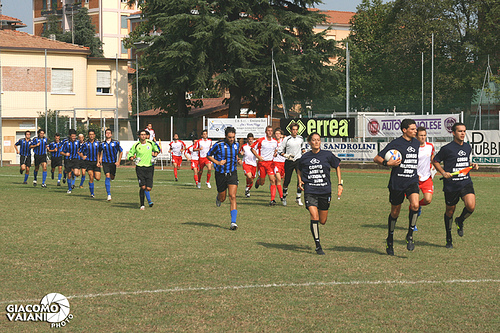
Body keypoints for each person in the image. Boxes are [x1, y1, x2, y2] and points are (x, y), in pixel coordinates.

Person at [374, 118, 420, 256]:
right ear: (404, 130)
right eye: (412, 129)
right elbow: (377, 158)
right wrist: (387, 164)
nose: (415, 131)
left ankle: (410, 235)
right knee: (395, 213)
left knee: (415, 205)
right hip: (397, 183)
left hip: (412, 181)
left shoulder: (417, 143)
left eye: (415, 129)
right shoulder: (396, 143)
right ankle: (390, 239)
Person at [432, 122, 479, 249]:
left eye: (464, 131)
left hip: (465, 182)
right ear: (453, 133)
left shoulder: (467, 147)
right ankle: (448, 238)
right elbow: (435, 161)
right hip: (451, 185)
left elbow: (465, 162)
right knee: (449, 211)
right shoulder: (447, 148)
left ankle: (460, 220)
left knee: (471, 206)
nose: (463, 133)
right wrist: (443, 172)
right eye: (460, 131)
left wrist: (472, 165)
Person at [297, 132, 342, 255]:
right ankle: (318, 245)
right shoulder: (305, 157)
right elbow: (298, 167)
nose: (316, 142)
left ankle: (317, 238)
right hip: (310, 191)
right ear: (310, 142)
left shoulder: (327, 155)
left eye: (318, 140)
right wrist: (300, 180)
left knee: (322, 220)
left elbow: (337, 165)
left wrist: (340, 184)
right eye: (314, 140)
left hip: (324, 191)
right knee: (314, 216)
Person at [207, 127, 241, 230]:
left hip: (232, 173)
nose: (232, 139)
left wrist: (238, 160)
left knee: (233, 196)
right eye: (230, 137)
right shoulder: (218, 145)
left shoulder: (236, 144)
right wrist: (217, 162)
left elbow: (235, 156)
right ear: (226, 136)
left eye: (233, 137)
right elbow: (209, 155)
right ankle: (219, 197)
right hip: (220, 174)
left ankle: (233, 222)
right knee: (223, 198)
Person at [127, 129, 160, 210]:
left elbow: (157, 149)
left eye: (144, 134)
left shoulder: (150, 143)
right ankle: (142, 204)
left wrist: (154, 156)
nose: (143, 136)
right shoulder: (136, 145)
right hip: (140, 168)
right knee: (143, 187)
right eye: (141, 134)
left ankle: (148, 201)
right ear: (139, 136)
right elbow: (130, 155)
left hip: (149, 167)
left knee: (148, 188)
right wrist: (133, 159)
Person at [412, 127, 436, 230]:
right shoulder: (413, 147)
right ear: (416, 136)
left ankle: (419, 207)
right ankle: (413, 223)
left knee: (427, 200)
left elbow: (432, 158)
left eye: (424, 135)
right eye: (421, 135)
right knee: (414, 204)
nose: (423, 137)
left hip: (427, 178)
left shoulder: (430, 146)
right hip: (414, 178)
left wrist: (434, 165)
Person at [277, 122, 305, 206]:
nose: (295, 131)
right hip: (289, 161)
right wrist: (286, 155)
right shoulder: (287, 139)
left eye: (296, 130)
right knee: (287, 180)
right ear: (290, 130)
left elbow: (302, 148)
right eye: (293, 129)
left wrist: (304, 152)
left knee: (300, 179)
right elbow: (279, 151)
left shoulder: (300, 138)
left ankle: (298, 197)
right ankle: (284, 197)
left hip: (298, 160)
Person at [251, 125, 279, 206]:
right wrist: (258, 157)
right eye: (268, 130)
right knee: (262, 182)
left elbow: (276, 149)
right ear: (266, 132)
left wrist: (275, 153)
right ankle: (258, 181)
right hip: (262, 164)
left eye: (271, 130)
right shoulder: (261, 140)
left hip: (270, 163)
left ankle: (272, 200)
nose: (270, 132)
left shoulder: (275, 141)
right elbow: (252, 148)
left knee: (273, 180)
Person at [99, 128, 123, 201]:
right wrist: (99, 159)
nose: (108, 134)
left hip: (113, 163)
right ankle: (109, 194)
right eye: (107, 133)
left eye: (109, 133)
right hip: (105, 162)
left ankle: (110, 180)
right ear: (105, 134)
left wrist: (118, 161)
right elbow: (99, 152)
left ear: (111, 134)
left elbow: (121, 151)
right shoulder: (102, 144)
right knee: (107, 176)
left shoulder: (116, 142)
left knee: (112, 177)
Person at [79, 129, 101, 198]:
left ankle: (95, 173)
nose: (91, 136)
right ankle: (92, 193)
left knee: (97, 178)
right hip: (88, 162)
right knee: (91, 177)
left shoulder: (98, 143)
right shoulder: (85, 144)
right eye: (90, 134)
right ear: (88, 135)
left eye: (92, 134)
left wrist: (99, 160)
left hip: (96, 162)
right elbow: (79, 152)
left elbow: (100, 152)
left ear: (94, 135)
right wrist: (83, 156)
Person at [61, 129, 81, 194]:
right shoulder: (66, 142)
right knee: (68, 175)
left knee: (77, 173)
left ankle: (72, 173)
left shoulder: (78, 142)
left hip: (75, 159)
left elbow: (80, 149)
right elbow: (61, 152)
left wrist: (80, 153)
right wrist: (65, 154)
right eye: (72, 136)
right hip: (68, 160)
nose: (74, 138)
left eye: (75, 136)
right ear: (69, 136)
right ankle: (69, 189)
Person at [239, 133, 257, 197]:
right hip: (246, 164)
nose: (250, 141)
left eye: (251, 139)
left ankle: (247, 188)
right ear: (247, 139)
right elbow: (240, 153)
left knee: (251, 180)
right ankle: (247, 188)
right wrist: (241, 154)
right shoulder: (244, 146)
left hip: (254, 165)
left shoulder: (256, 146)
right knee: (249, 176)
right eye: (249, 139)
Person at [273, 128, 286, 205]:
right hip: (276, 162)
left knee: (284, 179)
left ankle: (283, 193)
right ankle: (281, 197)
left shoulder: (284, 141)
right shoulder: (273, 142)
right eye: (276, 133)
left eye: (279, 133)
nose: (278, 135)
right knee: (278, 179)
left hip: (284, 162)